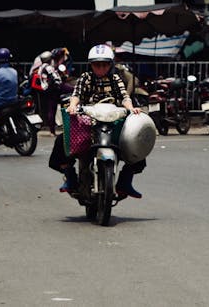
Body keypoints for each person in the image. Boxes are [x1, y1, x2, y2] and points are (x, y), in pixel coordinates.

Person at [55, 44, 145, 199]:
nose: (101, 68)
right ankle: (69, 177)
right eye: (97, 65)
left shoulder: (115, 78)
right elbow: (76, 94)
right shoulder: (85, 78)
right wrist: (72, 106)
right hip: (88, 119)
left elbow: (124, 97)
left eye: (104, 64)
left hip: (113, 119)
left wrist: (131, 108)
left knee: (137, 143)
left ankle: (125, 182)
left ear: (110, 65)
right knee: (61, 141)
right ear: (91, 65)